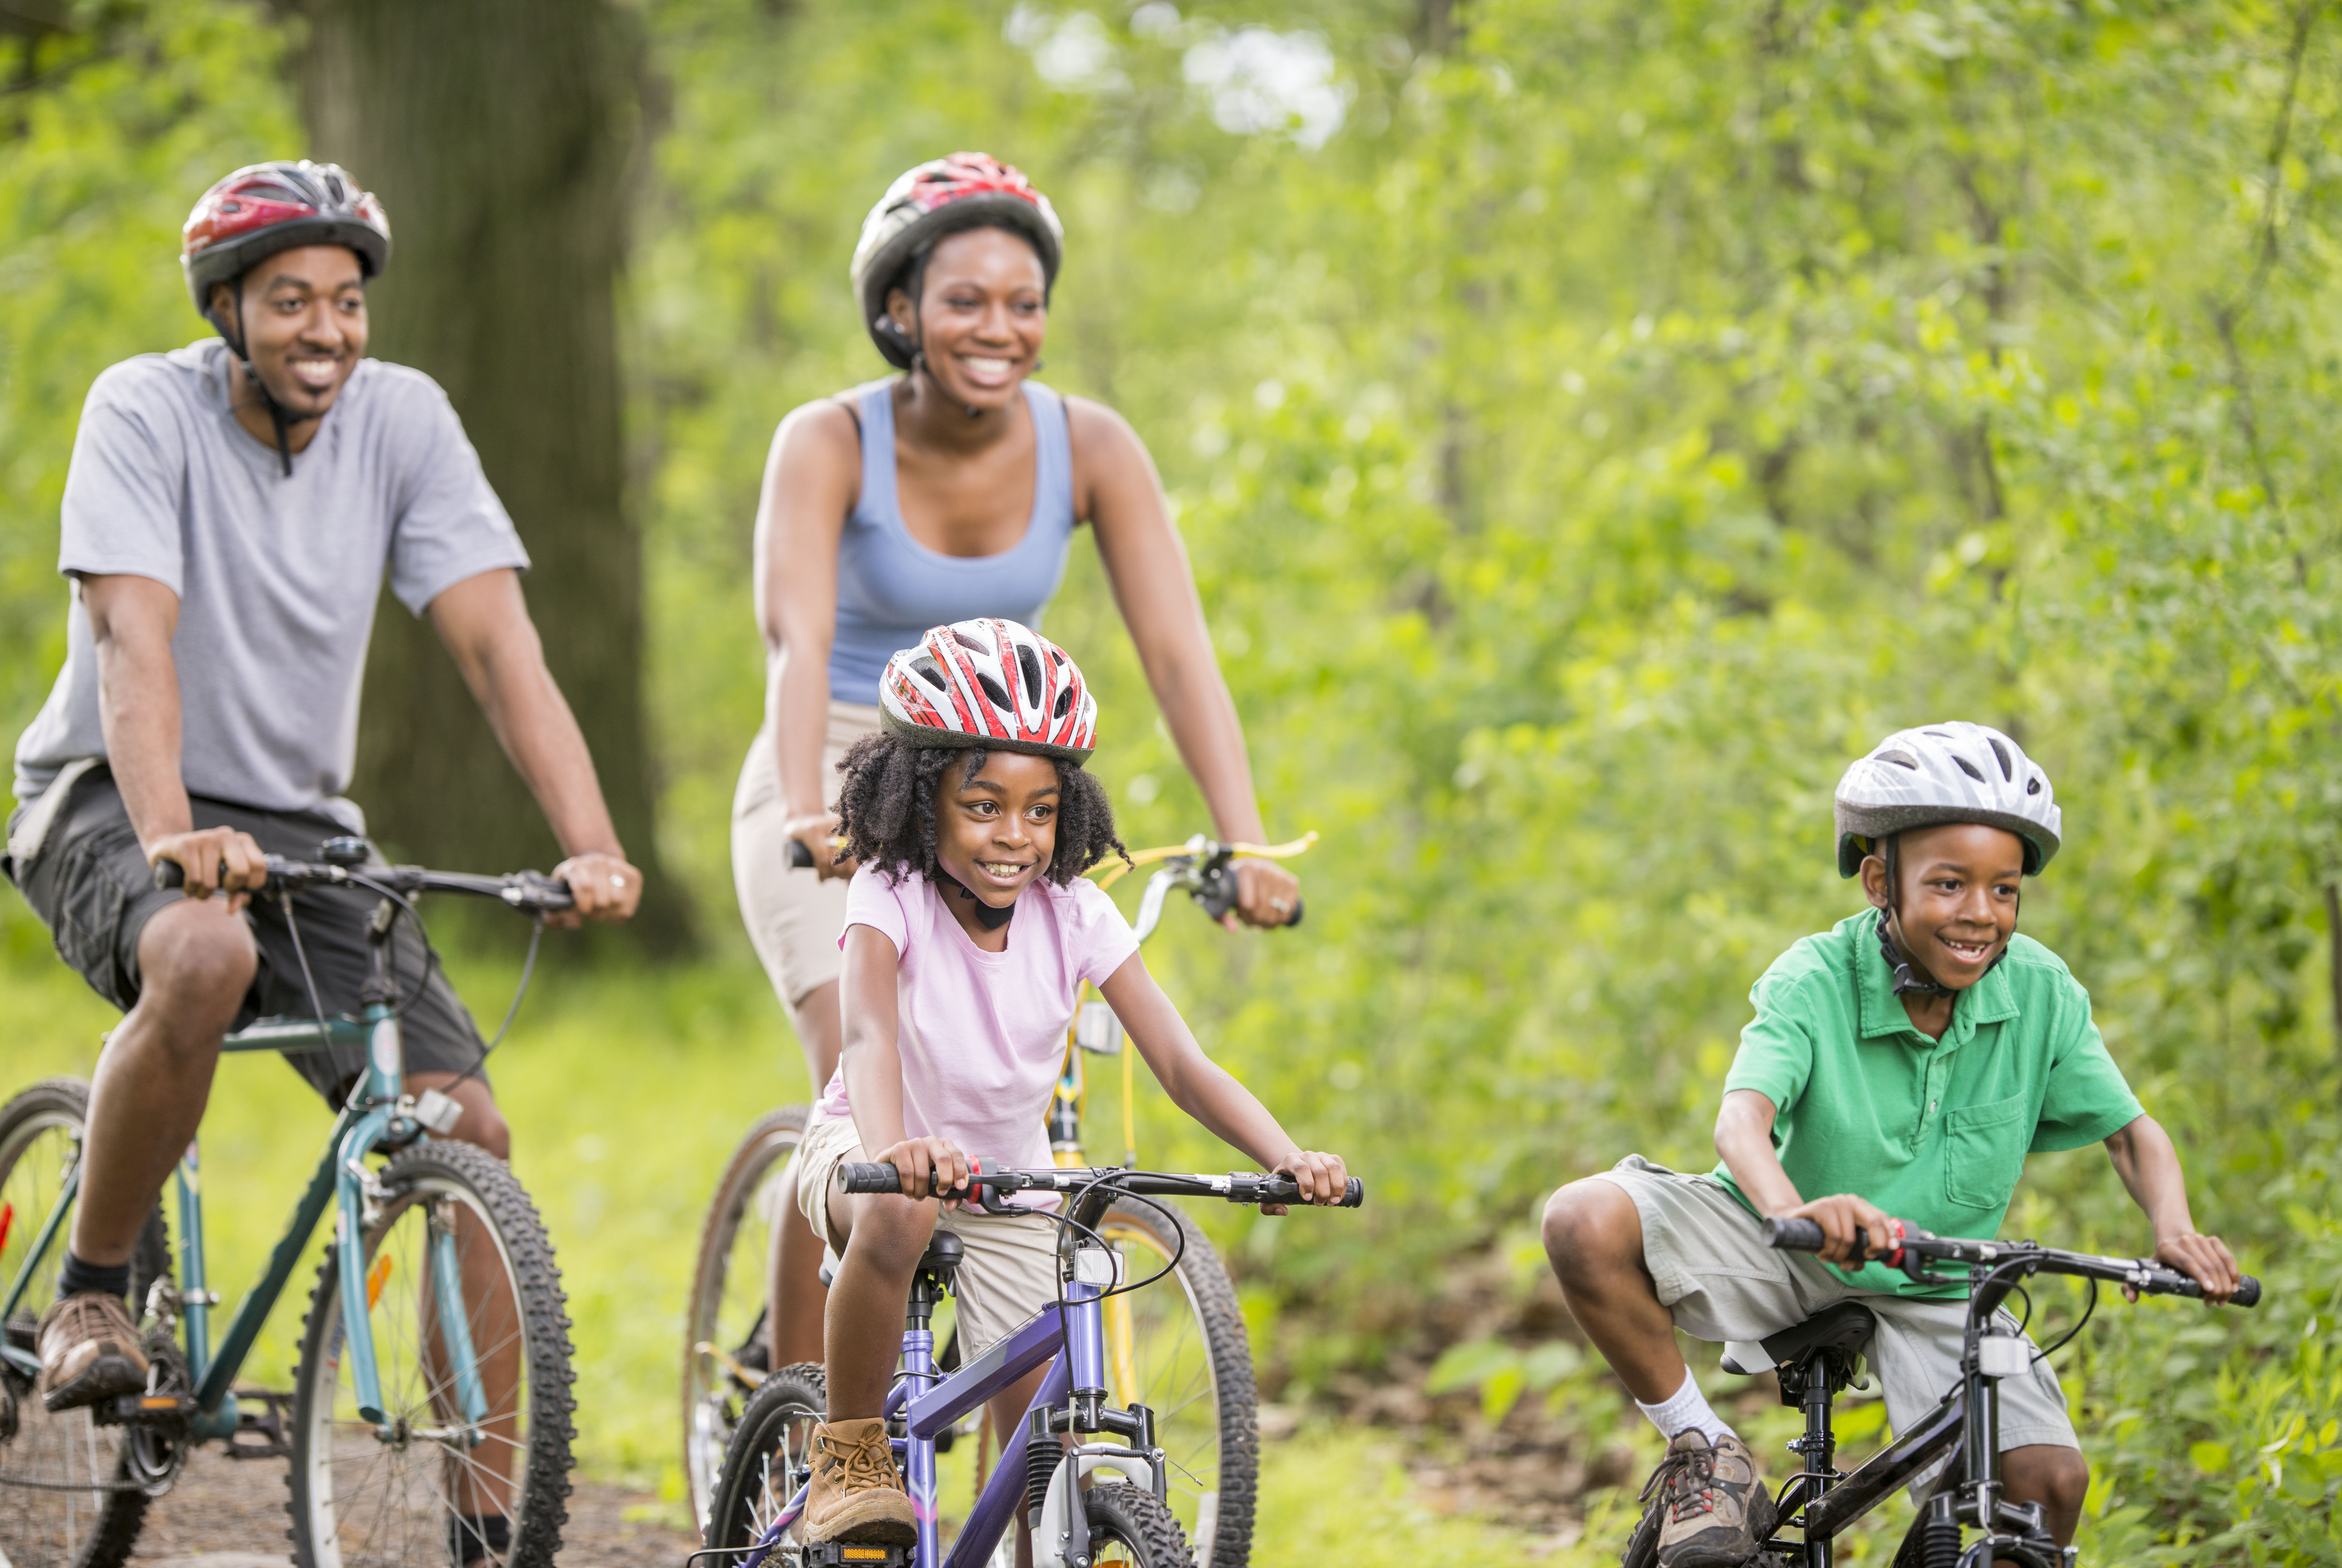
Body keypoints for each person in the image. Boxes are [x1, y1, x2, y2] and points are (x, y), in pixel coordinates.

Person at [2, 160, 640, 1566]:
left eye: (347, 301)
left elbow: (498, 647)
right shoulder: (143, 408)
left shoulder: (402, 422)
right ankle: (95, 1294)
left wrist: (590, 843)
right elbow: (132, 640)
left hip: (299, 827)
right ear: (227, 309)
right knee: (204, 951)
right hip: (107, 792)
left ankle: (484, 1531)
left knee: (466, 1130)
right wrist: (173, 836)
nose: (327, 329)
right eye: (291, 299)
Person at [736, 151, 1301, 1366]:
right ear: (900, 310)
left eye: (1024, 303)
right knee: (861, 1061)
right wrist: (802, 806)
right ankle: (805, 1419)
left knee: (1019, 1109)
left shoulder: (1090, 443)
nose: (1000, 329)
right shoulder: (826, 439)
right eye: (963, 300)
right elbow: (798, 638)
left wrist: (1244, 838)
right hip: (847, 757)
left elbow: (1177, 652)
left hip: (1004, 763)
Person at [1538, 722, 2241, 1568]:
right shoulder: (1814, 976)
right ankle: (1703, 1451)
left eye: (2005, 891)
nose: (1981, 914)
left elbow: (2132, 1134)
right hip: (1781, 1242)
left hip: (1938, 1279)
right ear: (1881, 880)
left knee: (2049, 1486)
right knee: (1584, 1219)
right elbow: (1741, 1122)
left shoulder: (2042, 992)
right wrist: (1797, 1211)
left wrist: (2173, 1226)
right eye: (1949, 884)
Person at [789, 619, 1346, 1548]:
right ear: (922, 801)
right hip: (868, 1155)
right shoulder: (889, 891)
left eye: (1040, 810)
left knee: (1043, 1461)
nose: (1016, 837)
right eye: (984, 806)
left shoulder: (1077, 914)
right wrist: (896, 1155)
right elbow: (869, 1034)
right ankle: (848, 1453)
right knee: (900, 1217)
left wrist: (1287, 1157)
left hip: (1008, 1183)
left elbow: (1179, 1061)